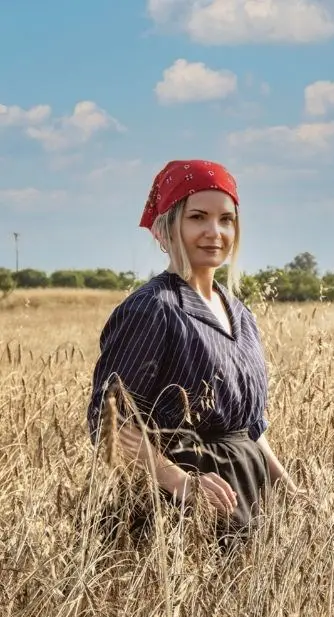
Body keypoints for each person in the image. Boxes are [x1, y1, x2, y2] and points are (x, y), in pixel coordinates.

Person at [88, 159, 293, 549]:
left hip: (248, 490)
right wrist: (181, 484)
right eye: (198, 217)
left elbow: (249, 427)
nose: (214, 232)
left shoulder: (239, 312)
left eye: (226, 219)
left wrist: (288, 489)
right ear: (168, 227)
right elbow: (110, 422)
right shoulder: (153, 308)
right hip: (181, 508)